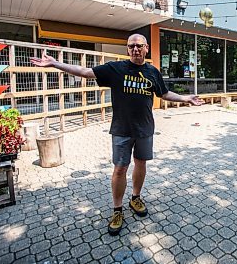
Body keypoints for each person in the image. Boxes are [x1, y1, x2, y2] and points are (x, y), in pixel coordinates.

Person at [31, 34, 203, 236]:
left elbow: (163, 93)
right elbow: (85, 72)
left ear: (146, 48)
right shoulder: (116, 69)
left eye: (139, 46)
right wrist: (55, 64)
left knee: (141, 164)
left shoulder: (152, 72)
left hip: (145, 128)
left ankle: (136, 197)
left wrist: (185, 98)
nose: (136, 49)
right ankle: (117, 210)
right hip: (121, 129)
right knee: (120, 169)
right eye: (132, 46)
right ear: (127, 49)